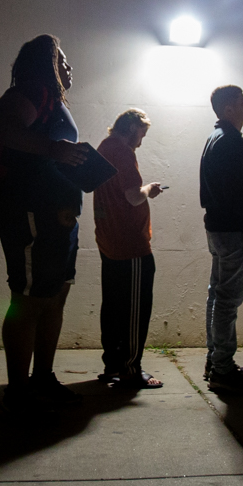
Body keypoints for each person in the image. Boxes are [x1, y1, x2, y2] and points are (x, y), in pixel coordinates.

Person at [0, 34, 89, 414]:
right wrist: (53, 149)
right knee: (28, 300)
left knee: (55, 295)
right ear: (44, 64)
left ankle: (42, 377)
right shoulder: (32, 91)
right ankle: (18, 391)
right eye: (62, 59)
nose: (68, 66)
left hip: (57, 216)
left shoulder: (53, 100)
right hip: (32, 213)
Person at [199, 85, 243, 395]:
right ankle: (222, 370)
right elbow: (233, 191)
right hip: (234, 233)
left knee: (218, 296)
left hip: (221, 230)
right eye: (242, 102)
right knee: (226, 302)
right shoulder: (229, 142)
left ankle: (217, 362)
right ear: (229, 110)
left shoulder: (217, 139)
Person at [94, 108, 164, 389]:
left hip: (109, 240)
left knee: (112, 306)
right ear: (133, 127)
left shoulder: (104, 147)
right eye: (142, 134)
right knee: (135, 309)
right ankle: (130, 369)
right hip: (130, 243)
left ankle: (112, 365)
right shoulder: (122, 152)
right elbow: (134, 197)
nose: (141, 142)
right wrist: (150, 188)